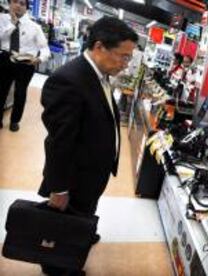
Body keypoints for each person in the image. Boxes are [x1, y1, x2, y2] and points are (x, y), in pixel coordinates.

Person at [39, 17, 138, 276]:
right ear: (99, 47)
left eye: (129, 59)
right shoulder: (69, 80)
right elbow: (59, 143)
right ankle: (57, 266)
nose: (125, 65)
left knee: (82, 212)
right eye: (123, 57)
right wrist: (58, 189)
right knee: (65, 222)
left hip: (91, 172)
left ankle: (82, 231)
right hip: (74, 177)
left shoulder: (99, 73)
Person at [0, 0, 50, 131]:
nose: (18, 6)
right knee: (1, 90)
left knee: (20, 93)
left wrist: (39, 58)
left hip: (25, 62)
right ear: (9, 4)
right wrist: (12, 24)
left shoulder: (35, 27)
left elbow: (45, 49)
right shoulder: (2, 19)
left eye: (22, 3)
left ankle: (15, 121)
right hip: (5, 58)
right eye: (15, 2)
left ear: (26, 8)